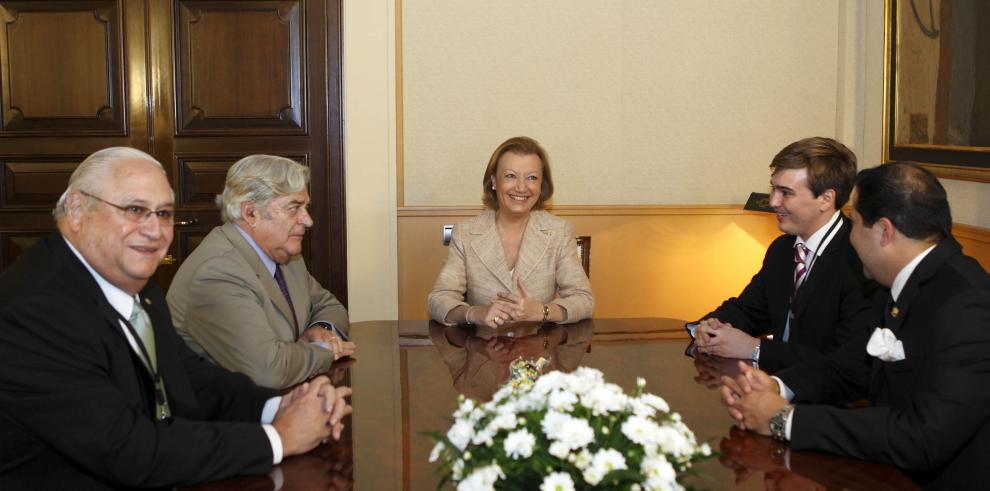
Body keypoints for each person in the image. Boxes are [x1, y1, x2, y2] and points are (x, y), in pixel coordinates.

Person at [0, 147, 351, 489]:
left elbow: (191, 377)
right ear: (76, 209)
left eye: (164, 213)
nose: (155, 231)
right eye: (135, 210)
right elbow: (126, 450)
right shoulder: (35, 309)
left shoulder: (136, 284)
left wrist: (277, 406)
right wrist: (277, 438)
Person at [720, 163, 990, 490]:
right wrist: (774, 387)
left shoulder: (967, 303)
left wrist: (784, 420)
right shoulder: (905, 282)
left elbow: (923, 438)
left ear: (884, 232)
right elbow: (853, 366)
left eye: (857, 222)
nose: (850, 234)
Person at [690, 137, 878, 372]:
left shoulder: (862, 260)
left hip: (830, 401)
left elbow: (845, 358)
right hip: (773, 386)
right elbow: (748, 309)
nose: (773, 201)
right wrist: (707, 328)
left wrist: (755, 349)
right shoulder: (782, 249)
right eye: (773, 188)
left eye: (785, 193)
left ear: (825, 199)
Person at [168, 155, 354, 389]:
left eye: (305, 207)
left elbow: (330, 306)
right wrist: (324, 351)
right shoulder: (217, 272)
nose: (308, 220)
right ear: (251, 213)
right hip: (224, 418)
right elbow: (268, 371)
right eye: (294, 208)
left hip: (282, 400)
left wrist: (321, 330)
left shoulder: (287, 255)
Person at [427, 136, 594, 327]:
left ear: (541, 186)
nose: (521, 187)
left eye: (532, 177)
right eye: (510, 176)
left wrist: (543, 311)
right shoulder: (465, 233)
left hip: (539, 353)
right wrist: (474, 313)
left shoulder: (558, 231)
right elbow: (438, 300)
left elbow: (583, 300)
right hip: (482, 351)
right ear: (494, 182)